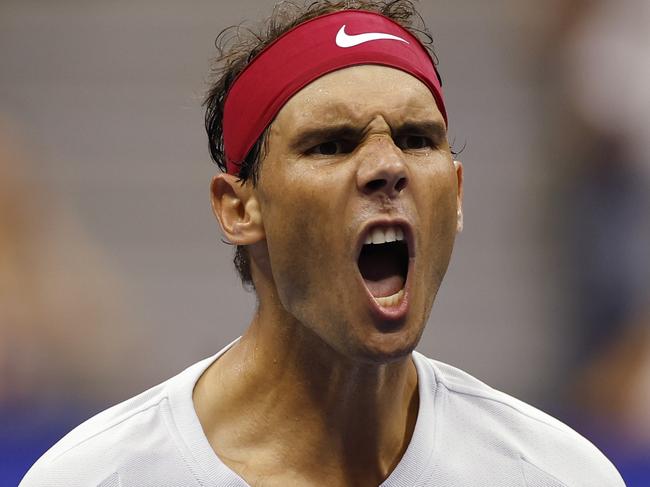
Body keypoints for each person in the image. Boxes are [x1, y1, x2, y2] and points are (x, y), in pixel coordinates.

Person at [20, 1, 625, 486]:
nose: (387, 167)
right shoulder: (97, 476)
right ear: (239, 208)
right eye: (331, 145)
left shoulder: (558, 474)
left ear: (457, 193)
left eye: (417, 139)